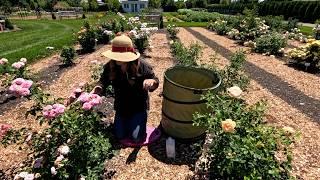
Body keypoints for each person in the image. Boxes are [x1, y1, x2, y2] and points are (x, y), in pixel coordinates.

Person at [92, 35, 159, 142]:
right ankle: (128, 122)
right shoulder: (111, 66)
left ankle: (136, 121)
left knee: (136, 138)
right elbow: (103, 80)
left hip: (138, 106)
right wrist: (99, 87)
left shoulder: (142, 66)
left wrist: (152, 82)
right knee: (119, 135)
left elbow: (154, 80)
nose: (118, 59)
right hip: (121, 106)